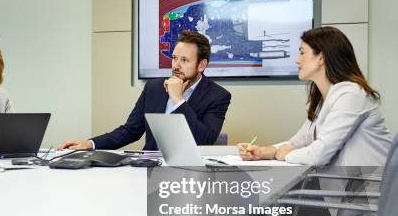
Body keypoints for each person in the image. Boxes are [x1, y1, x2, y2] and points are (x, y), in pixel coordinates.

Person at [238, 26, 392, 166]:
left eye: (302, 52)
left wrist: (286, 155)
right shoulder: (325, 99)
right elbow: (298, 142)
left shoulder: (351, 95)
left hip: (369, 189)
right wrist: (264, 152)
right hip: (348, 187)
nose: (297, 60)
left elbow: (319, 155)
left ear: (321, 58)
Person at [58, 30, 231, 151]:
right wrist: (90, 144)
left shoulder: (218, 96)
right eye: (174, 58)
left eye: (185, 60)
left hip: (189, 174)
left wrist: (179, 100)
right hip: (149, 168)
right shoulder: (154, 88)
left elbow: (204, 139)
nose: (176, 66)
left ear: (201, 65)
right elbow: (130, 131)